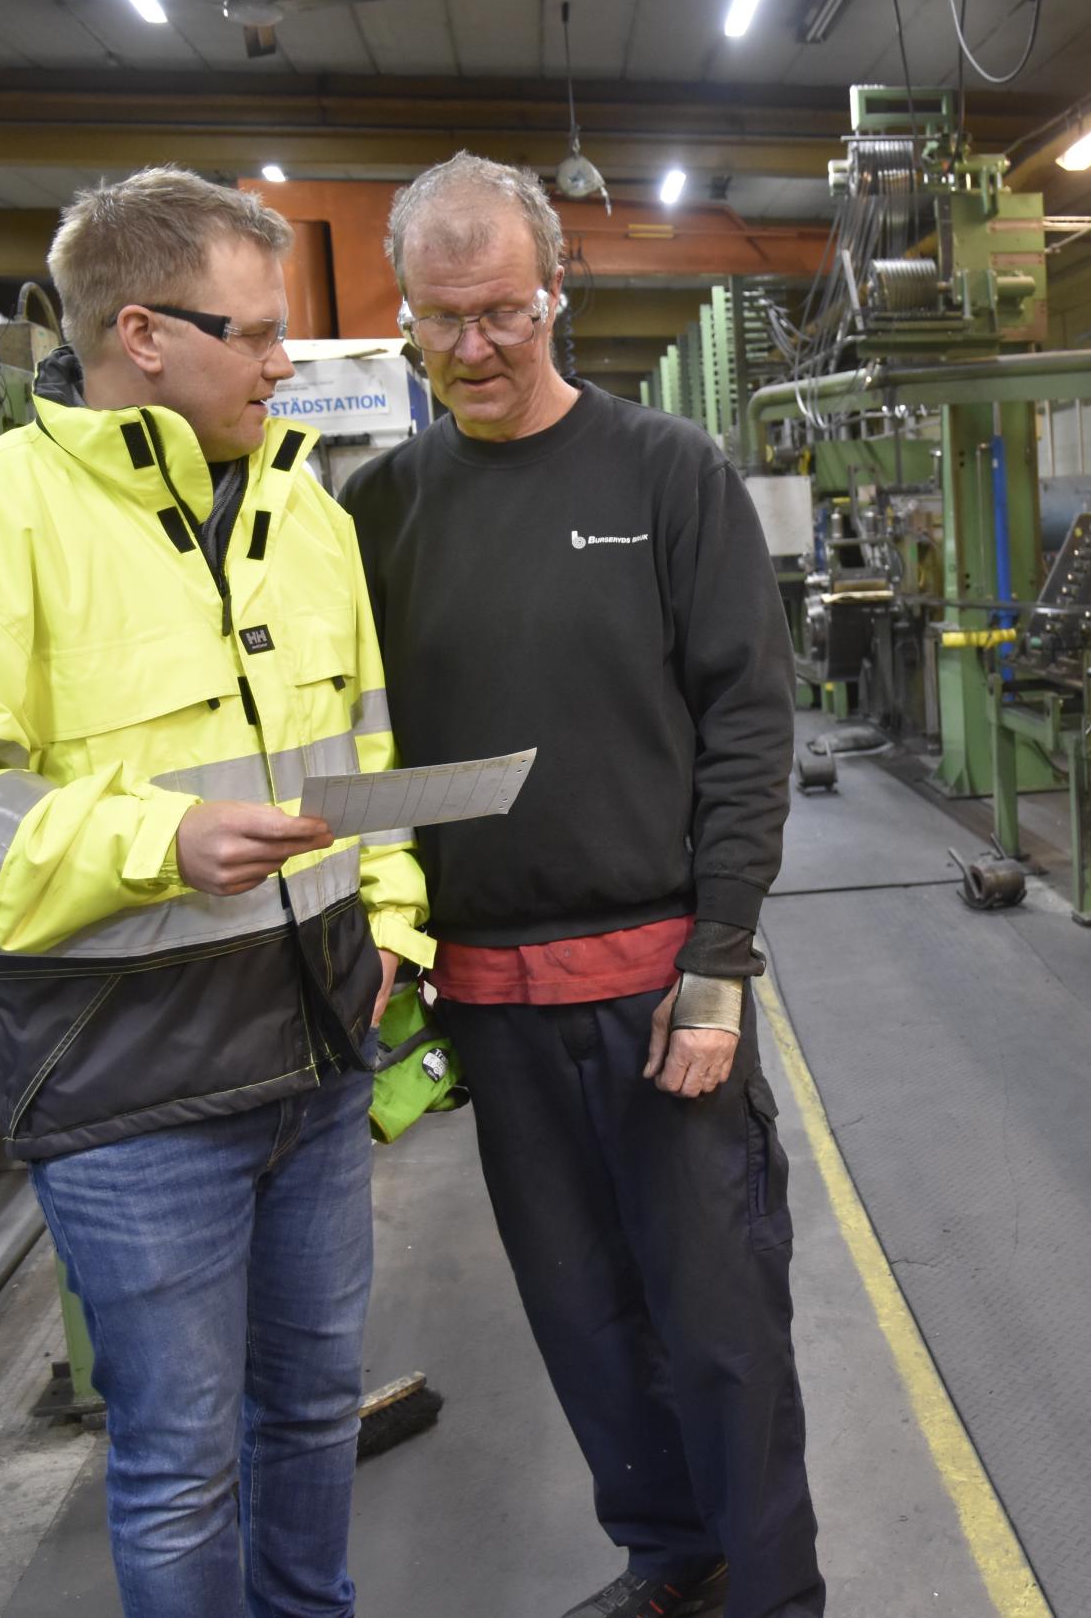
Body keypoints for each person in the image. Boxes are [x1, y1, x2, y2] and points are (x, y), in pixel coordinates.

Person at [0, 166, 435, 1618]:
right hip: (132, 1087)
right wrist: (154, 843)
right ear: (144, 335)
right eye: (257, 332)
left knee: (312, 1414)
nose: (284, 363)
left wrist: (392, 926)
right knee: (180, 1463)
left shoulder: (307, 515)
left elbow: (362, 752)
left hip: (317, 1058)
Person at [343, 153, 812, 1618]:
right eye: (441, 319)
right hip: (493, 1003)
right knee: (585, 1320)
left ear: (557, 293)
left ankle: (777, 1596)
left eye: (502, 312)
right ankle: (675, 1563)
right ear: (406, 315)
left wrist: (720, 960)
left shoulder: (667, 473)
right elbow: (355, 742)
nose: (474, 348)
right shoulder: (377, 509)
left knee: (723, 1326)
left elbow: (749, 722)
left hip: (663, 987)